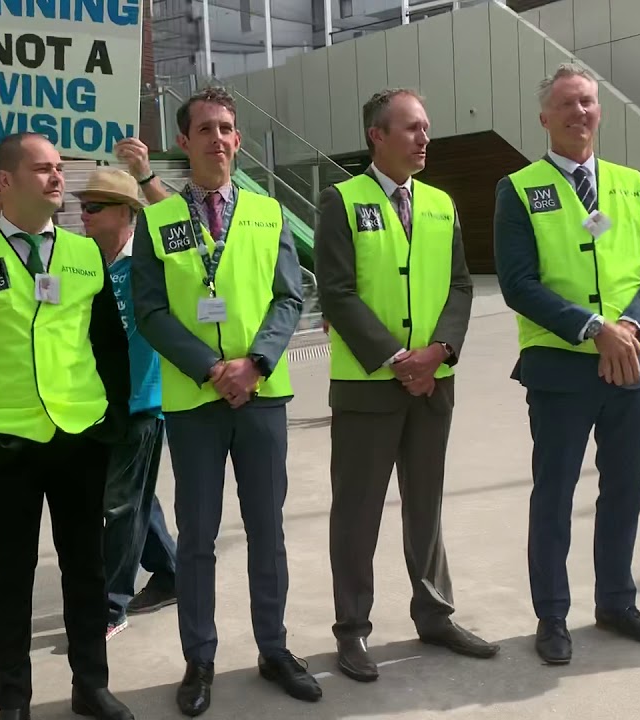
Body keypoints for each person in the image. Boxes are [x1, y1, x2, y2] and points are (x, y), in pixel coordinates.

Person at [0, 132, 133, 720]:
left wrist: (111, 419)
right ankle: (13, 699)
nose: (57, 178)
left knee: (85, 568)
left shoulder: (84, 252)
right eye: (43, 170)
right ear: (6, 181)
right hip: (4, 442)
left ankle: (90, 684)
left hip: (80, 436)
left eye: (59, 168)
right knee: (10, 575)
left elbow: (109, 344)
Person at [132, 87, 318, 716]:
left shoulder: (268, 213)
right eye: (205, 128)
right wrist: (212, 368)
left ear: (239, 139)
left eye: (228, 128)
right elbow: (151, 311)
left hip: (262, 396)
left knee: (268, 530)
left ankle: (275, 648)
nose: (218, 138)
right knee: (199, 539)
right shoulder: (155, 220)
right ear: (182, 142)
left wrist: (257, 363)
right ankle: (200, 660)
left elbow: (291, 298)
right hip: (194, 400)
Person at [493, 64, 640, 665]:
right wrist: (591, 329)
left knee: (624, 490)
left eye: (589, 103)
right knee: (554, 494)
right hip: (562, 370)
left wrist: (629, 327)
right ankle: (552, 616)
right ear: (545, 117)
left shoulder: (631, 183)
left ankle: (616, 603)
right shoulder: (520, 188)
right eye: (567, 104)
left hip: (633, 365)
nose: (580, 113)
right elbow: (518, 283)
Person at [315, 88, 495, 683]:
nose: (424, 139)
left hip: (433, 383)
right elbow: (336, 291)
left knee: (427, 507)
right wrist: (397, 358)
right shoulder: (342, 200)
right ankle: (352, 630)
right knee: (358, 514)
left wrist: (439, 351)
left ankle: (435, 614)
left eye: (426, 129)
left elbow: (462, 286)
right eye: (412, 128)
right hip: (370, 386)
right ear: (378, 135)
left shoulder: (442, 204)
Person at [71, 167, 181, 640]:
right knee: (130, 498)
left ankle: (112, 604)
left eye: (94, 207)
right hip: (99, 403)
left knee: (119, 506)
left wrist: (147, 176)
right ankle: (175, 573)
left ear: (126, 212)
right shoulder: (86, 264)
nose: (84, 214)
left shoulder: (151, 261)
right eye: (83, 205)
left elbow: (184, 233)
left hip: (143, 400)